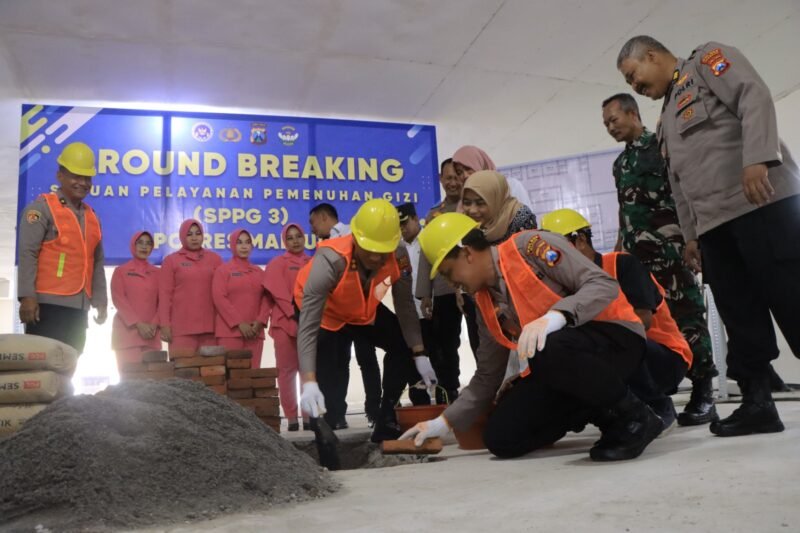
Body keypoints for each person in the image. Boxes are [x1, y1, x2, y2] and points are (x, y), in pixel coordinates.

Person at [617, 35, 800, 436]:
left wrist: (757, 159)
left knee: (791, 295)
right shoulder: (665, 120)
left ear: (651, 55)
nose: (635, 87)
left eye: (634, 75)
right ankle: (757, 403)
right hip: (715, 226)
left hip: (760, 202)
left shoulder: (707, 64)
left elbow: (753, 96)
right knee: (740, 314)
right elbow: (678, 183)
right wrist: (691, 236)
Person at [401, 213, 660, 462]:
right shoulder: (483, 302)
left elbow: (602, 284)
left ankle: (635, 416)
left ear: (467, 253)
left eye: (448, 272)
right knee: (501, 438)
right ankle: (596, 409)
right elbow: (487, 377)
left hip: (616, 341)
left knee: (545, 347)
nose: (451, 282)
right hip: (562, 360)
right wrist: (443, 422)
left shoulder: (531, 247)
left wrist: (557, 317)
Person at [601, 92, 717, 425]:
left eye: (614, 119)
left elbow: (685, 194)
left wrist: (694, 239)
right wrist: (620, 254)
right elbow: (625, 213)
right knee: (648, 326)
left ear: (633, 113)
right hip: (638, 262)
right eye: (606, 123)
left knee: (688, 318)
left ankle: (703, 392)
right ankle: (658, 391)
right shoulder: (620, 164)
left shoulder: (661, 148)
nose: (610, 127)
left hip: (672, 253)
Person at [295, 199, 438, 443]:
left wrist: (419, 352)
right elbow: (308, 327)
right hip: (323, 313)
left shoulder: (399, 255)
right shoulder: (330, 259)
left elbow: (404, 306)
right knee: (329, 372)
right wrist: (308, 380)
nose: (376, 257)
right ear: (356, 238)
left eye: (383, 251)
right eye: (370, 249)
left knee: (402, 346)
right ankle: (325, 433)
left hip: (359, 309)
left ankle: (385, 418)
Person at [541, 209, 693, 432]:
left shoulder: (622, 265)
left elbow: (643, 322)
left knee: (613, 340)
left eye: (557, 252)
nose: (553, 262)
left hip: (664, 358)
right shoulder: (569, 287)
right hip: (626, 357)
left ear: (581, 240)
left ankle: (658, 406)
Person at [17, 141, 107, 356]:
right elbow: (27, 253)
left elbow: (97, 262)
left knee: (70, 366)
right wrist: (27, 297)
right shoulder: (42, 208)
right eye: (75, 176)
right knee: (42, 371)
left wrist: (101, 301)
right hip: (46, 307)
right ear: (60, 176)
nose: (82, 183)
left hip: (79, 309)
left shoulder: (92, 217)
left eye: (87, 178)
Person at [308, 202, 382, 429]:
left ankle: (375, 411)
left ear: (322, 217)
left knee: (367, 360)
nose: (311, 229)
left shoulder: (353, 233)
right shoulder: (321, 245)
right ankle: (337, 414)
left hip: (360, 311)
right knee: (338, 363)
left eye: (312, 223)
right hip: (335, 314)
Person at [416, 158, 479, 360]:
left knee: (478, 336)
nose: (453, 182)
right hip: (443, 287)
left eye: (456, 177)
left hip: (472, 285)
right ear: (440, 179)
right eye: (448, 178)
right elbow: (426, 254)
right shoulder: (433, 214)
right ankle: (449, 389)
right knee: (445, 343)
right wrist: (425, 293)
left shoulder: (473, 209)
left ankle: (488, 386)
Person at [399, 202, 457, 404]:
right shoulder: (397, 248)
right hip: (411, 313)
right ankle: (419, 400)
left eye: (406, 223)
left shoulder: (429, 238)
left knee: (443, 353)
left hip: (434, 307)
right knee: (413, 356)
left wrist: (429, 298)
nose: (403, 229)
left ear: (416, 219)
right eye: (399, 226)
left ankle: (447, 394)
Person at [263, 223, 311, 432]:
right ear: (284, 241)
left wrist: (308, 316)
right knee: (286, 372)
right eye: (290, 238)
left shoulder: (313, 261)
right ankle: (291, 417)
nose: (295, 241)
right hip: (285, 323)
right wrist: (294, 313)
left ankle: (309, 416)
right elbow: (278, 292)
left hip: (308, 324)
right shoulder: (276, 263)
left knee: (307, 371)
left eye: (298, 236)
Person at [159, 219, 223, 353]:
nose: (194, 238)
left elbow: (222, 292)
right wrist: (164, 324)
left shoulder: (215, 259)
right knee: (182, 372)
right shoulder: (171, 261)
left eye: (198, 233)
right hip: (181, 329)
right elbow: (165, 295)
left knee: (211, 372)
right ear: (182, 236)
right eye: (189, 234)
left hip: (210, 328)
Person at [212, 229, 268, 368]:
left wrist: (260, 322)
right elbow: (219, 298)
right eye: (239, 242)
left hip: (255, 332)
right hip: (230, 333)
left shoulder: (259, 272)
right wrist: (239, 323)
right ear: (232, 245)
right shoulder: (223, 271)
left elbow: (267, 299)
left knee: (253, 376)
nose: (244, 246)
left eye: (248, 242)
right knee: (232, 378)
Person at [110, 231, 160, 365]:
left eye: (148, 243)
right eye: (140, 243)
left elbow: (163, 303)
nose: (144, 247)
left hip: (152, 334)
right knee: (129, 381)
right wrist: (138, 324)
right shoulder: (121, 271)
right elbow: (119, 300)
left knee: (152, 382)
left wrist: (154, 324)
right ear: (133, 245)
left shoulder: (158, 273)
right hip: (127, 334)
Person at [452, 145, 536, 215]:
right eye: (459, 172)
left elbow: (526, 219)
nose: (465, 175)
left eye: (468, 168)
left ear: (480, 164)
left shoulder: (510, 186)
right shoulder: (464, 203)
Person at [462, 170, 538, 244]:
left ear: (496, 199)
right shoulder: (468, 225)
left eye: (480, 203)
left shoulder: (521, 218)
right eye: (467, 203)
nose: (472, 210)